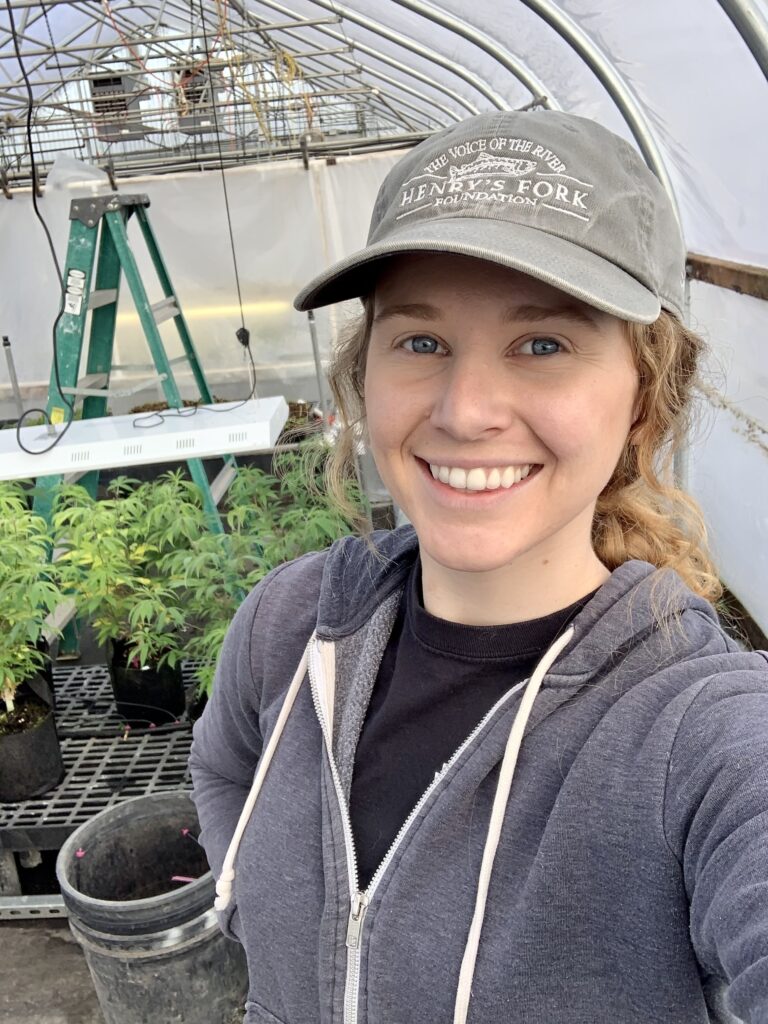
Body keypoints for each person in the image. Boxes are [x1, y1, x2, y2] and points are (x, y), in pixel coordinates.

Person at [189, 110, 768, 1024]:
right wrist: (262, 915)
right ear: (364, 375)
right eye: (421, 342)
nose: (466, 411)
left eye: (543, 345)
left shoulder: (699, 733)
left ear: (644, 401)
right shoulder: (290, 623)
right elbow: (222, 768)